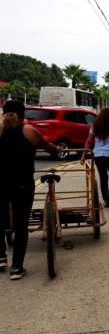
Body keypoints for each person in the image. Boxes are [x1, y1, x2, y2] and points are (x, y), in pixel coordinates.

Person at [0, 100, 59, 280]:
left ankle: (1, 257)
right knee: (20, 224)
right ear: (23, 114)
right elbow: (48, 148)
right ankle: (17, 268)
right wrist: (57, 150)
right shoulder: (29, 131)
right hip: (23, 184)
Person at [81, 108, 109, 208]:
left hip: (98, 155)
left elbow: (89, 141)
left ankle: (106, 200)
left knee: (103, 177)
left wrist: (83, 155)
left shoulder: (95, 125)